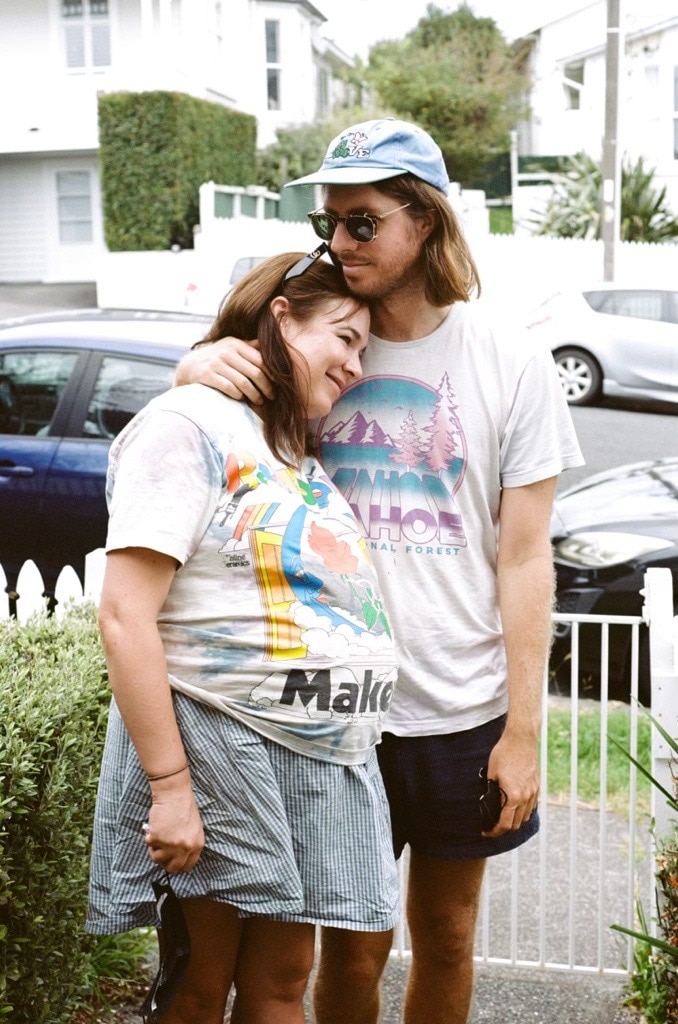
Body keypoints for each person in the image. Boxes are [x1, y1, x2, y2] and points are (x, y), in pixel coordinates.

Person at [175, 117, 585, 1024]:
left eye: (364, 222)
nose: (340, 242)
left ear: (425, 223)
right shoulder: (314, 343)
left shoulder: (510, 362)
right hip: (330, 710)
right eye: (331, 223)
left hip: (459, 710)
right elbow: (212, 446)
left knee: (446, 933)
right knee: (348, 948)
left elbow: (524, 558)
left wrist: (525, 732)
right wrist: (191, 364)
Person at [86, 249, 401, 1024]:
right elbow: (124, 613)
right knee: (202, 981)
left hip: (306, 758)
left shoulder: (290, 447)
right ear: (282, 315)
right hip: (225, 749)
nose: (357, 365)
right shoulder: (186, 424)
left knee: (285, 979)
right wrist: (170, 788)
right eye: (346, 338)